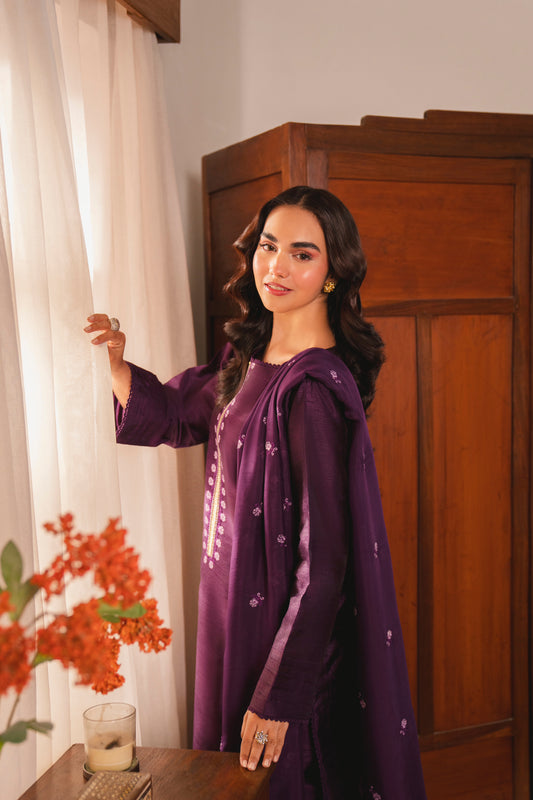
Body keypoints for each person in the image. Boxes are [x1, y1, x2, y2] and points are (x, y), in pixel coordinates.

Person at [85, 186, 427, 799]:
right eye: (269, 247)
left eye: (302, 253)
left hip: (280, 635)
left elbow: (324, 566)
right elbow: (180, 415)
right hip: (230, 611)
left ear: (332, 273)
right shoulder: (247, 357)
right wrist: (117, 364)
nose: (276, 266)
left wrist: (279, 694)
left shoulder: (312, 390)